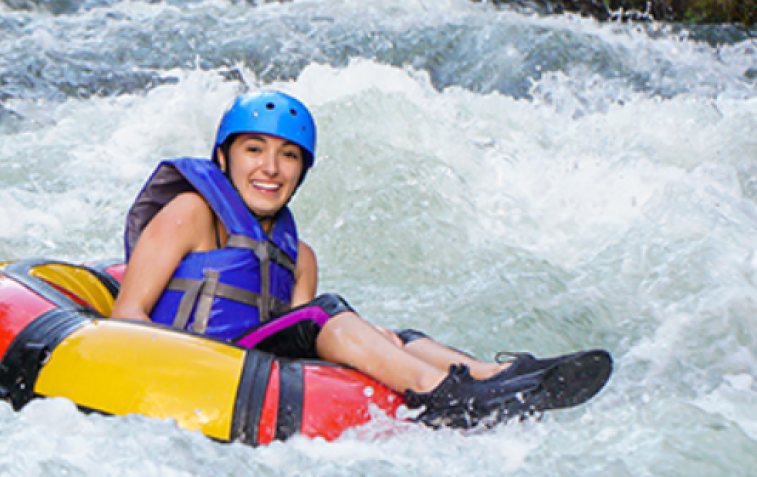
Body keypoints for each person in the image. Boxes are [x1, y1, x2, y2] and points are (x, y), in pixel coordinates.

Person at [112, 90, 611, 429]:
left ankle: (495, 379)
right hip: (190, 364)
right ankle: (444, 394)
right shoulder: (190, 213)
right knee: (324, 313)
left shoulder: (299, 256)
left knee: (404, 339)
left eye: (288, 155)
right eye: (253, 149)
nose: (270, 167)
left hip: (251, 371)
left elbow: (294, 354)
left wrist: (376, 341)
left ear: (302, 169)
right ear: (223, 158)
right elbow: (125, 316)